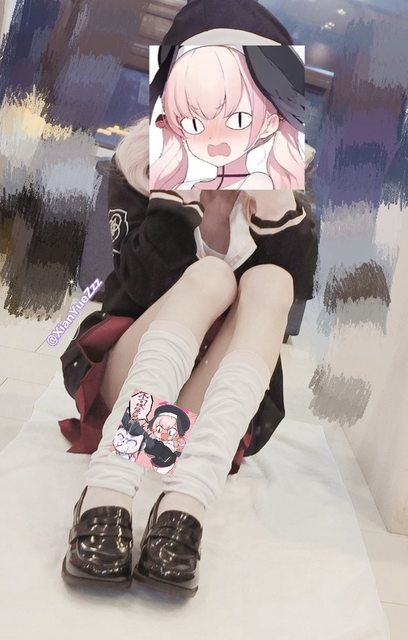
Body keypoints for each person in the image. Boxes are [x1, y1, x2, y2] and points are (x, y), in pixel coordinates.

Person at [59, 0, 318, 597]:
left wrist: (272, 206)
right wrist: (180, 203)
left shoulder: (283, 193)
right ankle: (107, 490)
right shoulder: (140, 168)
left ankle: (185, 505)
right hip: (133, 390)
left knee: (271, 282)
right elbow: (128, 288)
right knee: (210, 280)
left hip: (195, 422)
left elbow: (287, 314)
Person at [150, 43, 305, 190]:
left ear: (270, 124)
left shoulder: (258, 183)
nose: (214, 137)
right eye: (194, 124)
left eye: (239, 120)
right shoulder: (183, 187)